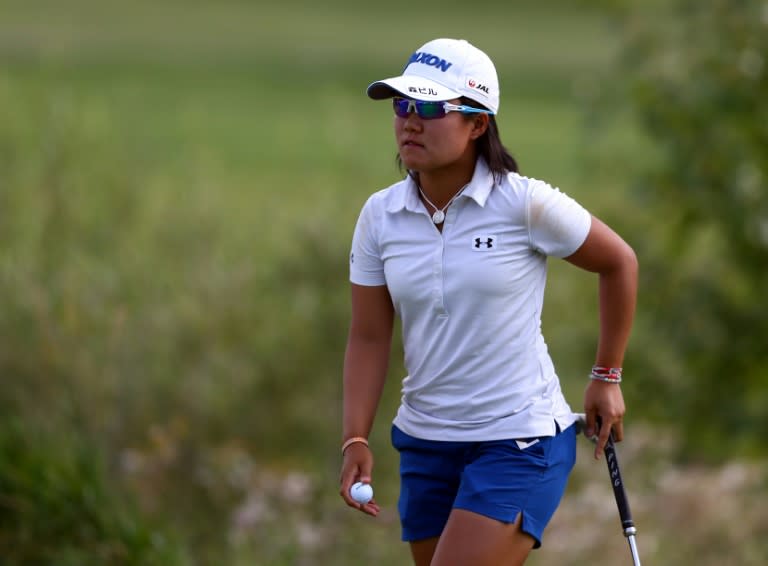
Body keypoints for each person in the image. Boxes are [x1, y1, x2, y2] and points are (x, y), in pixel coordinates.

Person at [338, 37, 638, 566]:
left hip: (519, 442)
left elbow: (619, 263)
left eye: (430, 107)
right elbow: (368, 334)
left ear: (478, 123)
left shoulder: (524, 203)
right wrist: (354, 438)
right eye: (402, 104)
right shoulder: (379, 216)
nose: (410, 120)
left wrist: (606, 375)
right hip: (425, 442)